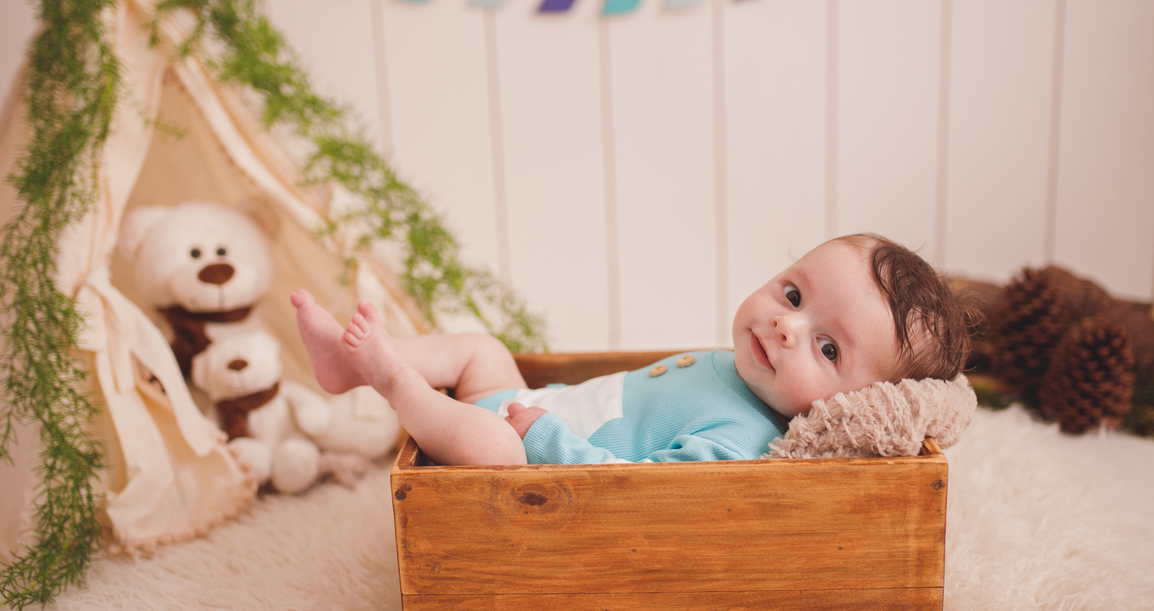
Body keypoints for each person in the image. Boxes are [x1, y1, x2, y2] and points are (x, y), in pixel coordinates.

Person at [290, 234, 969, 466]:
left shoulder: (740, 441)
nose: (786, 327)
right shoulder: (735, 368)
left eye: (826, 347)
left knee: (493, 452)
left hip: (517, 451)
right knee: (482, 348)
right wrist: (538, 405)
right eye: (792, 296)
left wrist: (544, 436)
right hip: (529, 405)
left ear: (856, 405)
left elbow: (636, 488)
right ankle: (344, 367)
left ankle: (387, 376)